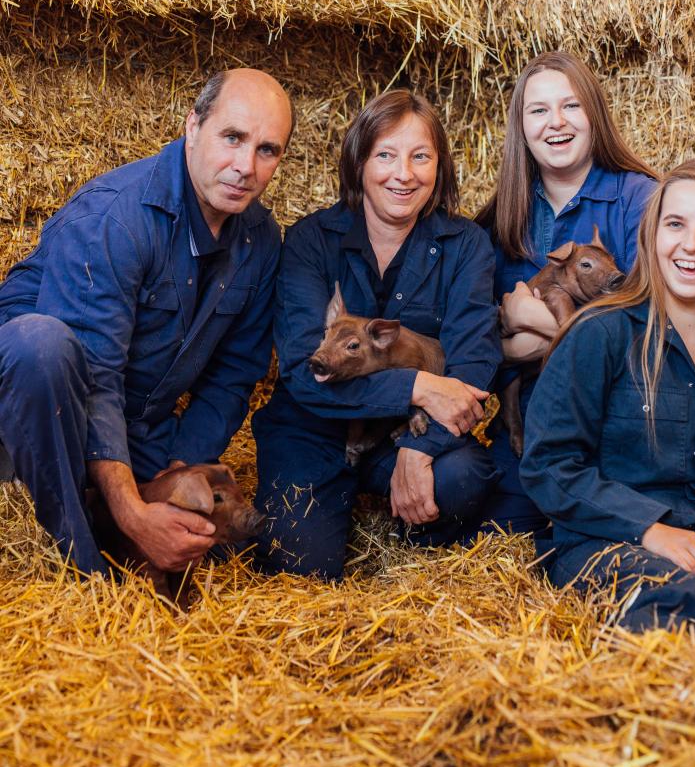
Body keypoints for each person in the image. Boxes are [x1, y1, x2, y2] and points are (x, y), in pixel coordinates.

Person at [0, 68, 293, 577]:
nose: (246, 165)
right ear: (192, 126)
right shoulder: (116, 218)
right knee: (40, 344)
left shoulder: (261, 241)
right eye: (232, 137)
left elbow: (233, 377)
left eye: (267, 150)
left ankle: (106, 511)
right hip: (36, 407)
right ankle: (85, 572)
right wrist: (134, 515)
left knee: (218, 543)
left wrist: (174, 477)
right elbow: (96, 380)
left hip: (134, 421)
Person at [522, 159, 695, 632]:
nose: (690, 245)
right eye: (676, 224)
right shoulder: (600, 333)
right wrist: (650, 528)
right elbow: (549, 464)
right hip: (614, 542)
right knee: (680, 603)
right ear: (652, 235)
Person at [252, 89, 501, 579]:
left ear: (440, 167)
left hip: (401, 433)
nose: (403, 174)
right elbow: (307, 374)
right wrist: (418, 386)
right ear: (359, 161)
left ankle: (408, 532)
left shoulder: (466, 245)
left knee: (464, 478)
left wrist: (417, 448)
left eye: (421, 157)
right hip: (314, 428)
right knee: (297, 566)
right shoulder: (309, 241)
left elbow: (473, 365)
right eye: (385, 155)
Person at [474, 51, 657, 538]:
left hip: (623, 419)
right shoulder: (499, 219)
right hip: (532, 423)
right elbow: (467, 339)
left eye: (571, 106)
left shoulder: (641, 200)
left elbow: (656, 327)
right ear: (521, 127)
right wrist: (511, 344)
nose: (556, 123)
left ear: (594, 114)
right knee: (488, 538)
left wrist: (541, 326)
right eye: (538, 111)